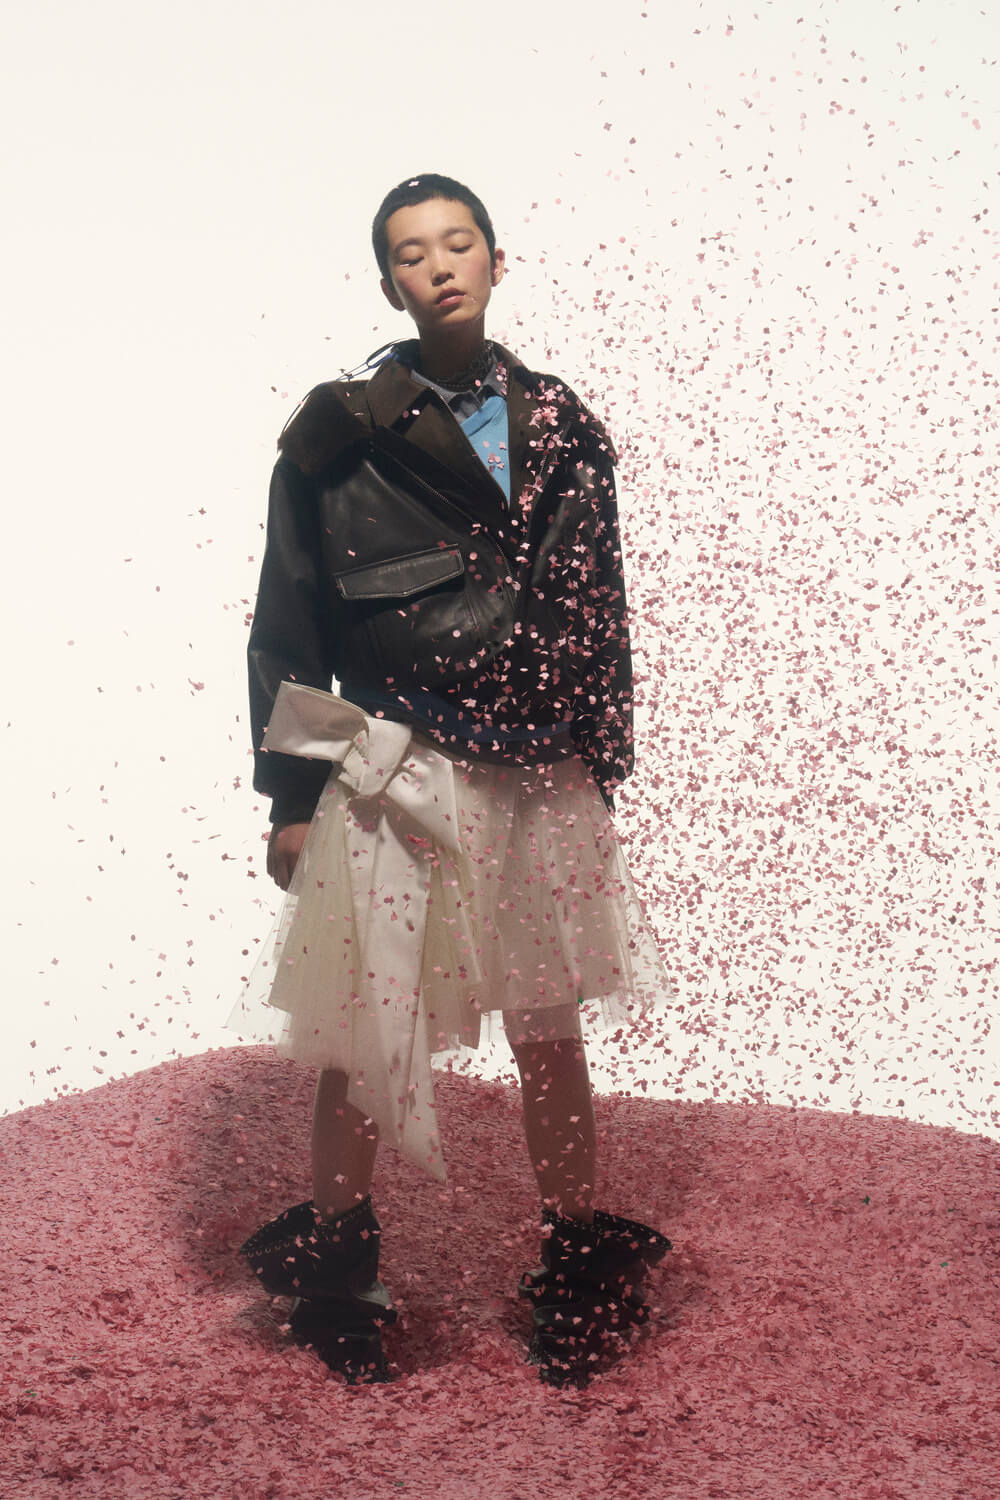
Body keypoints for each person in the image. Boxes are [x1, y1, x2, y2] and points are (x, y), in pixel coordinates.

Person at [228, 173, 671, 1386]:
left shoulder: (562, 423)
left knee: (548, 1022)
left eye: (459, 242)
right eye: (413, 253)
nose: (440, 266)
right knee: (366, 1025)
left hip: (536, 767)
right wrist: (292, 799)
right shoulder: (335, 437)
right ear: (390, 285)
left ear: (495, 259)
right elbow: (287, 619)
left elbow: (601, 600)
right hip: (398, 761)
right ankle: (338, 1258)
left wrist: (601, 756)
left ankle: (575, 1249)